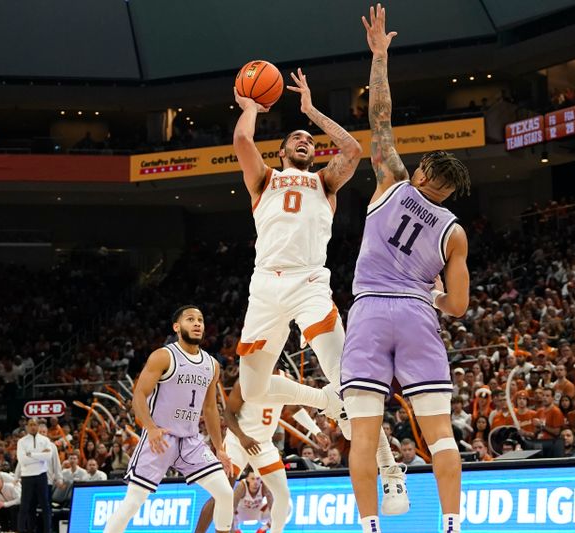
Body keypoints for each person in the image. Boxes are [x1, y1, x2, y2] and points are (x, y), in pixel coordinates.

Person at [232, 31, 407, 515]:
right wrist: (251, 103)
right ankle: (325, 402)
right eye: (299, 138)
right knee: (251, 391)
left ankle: (391, 470)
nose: (307, 142)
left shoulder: (325, 181)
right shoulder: (263, 179)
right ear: (284, 151)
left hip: (310, 282)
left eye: (310, 140)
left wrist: (311, 111)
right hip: (265, 284)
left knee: (350, 378)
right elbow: (243, 139)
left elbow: (352, 149)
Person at [341, 6, 472, 532]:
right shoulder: (454, 232)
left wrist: (379, 56)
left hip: (370, 312)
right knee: (440, 434)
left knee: (366, 437)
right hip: (418, 315)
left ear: (420, 171)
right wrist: (433, 294)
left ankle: (370, 525)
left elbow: (380, 115)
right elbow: (458, 307)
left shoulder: (392, 179)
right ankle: (453, 524)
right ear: (450, 192)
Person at [104, 306, 233, 533]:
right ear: (177, 327)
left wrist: (219, 448)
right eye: (190, 319)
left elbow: (211, 408)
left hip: (191, 439)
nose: (197, 324)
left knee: (225, 492)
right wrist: (151, 428)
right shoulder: (164, 356)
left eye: (200, 320)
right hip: (161, 437)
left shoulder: (212, 365)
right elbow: (139, 395)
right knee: (134, 501)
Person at [195, 379, 289, 533]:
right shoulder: (245, 381)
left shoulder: (284, 380)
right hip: (238, 440)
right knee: (222, 493)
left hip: (263, 444)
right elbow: (228, 414)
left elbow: (294, 409)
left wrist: (316, 431)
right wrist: (242, 437)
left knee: (282, 494)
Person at [15, 417, 52, 533]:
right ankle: (22, 530)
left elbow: (48, 457)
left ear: (38, 426)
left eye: (35, 424)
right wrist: (40, 456)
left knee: (45, 505)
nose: (33, 427)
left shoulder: (45, 440)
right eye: (30, 425)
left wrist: (30, 454)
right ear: (27, 427)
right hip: (27, 477)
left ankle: (47, 530)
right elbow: (22, 460)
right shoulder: (21, 442)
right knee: (25, 506)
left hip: (41, 475)